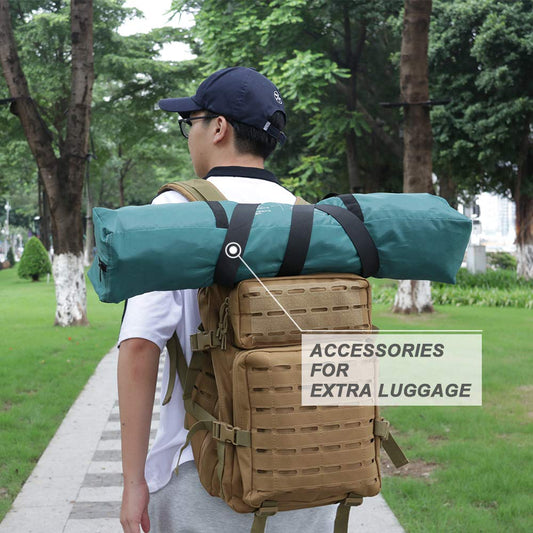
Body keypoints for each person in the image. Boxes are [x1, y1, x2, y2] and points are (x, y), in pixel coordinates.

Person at [118, 67, 336, 533]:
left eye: (190, 123)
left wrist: (133, 481)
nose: (189, 136)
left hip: (208, 473)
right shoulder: (307, 216)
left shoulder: (177, 211)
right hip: (309, 474)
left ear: (218, 128)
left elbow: (139, 347)